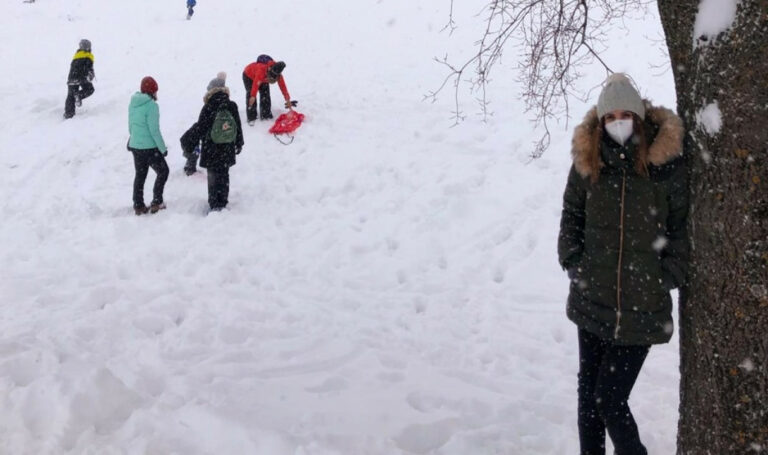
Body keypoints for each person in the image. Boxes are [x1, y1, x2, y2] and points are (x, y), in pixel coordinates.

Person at [557, 73, 688, 455]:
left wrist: (664, 276)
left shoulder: (665, 167)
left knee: (608, 400)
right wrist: (574, 263)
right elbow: (571, 215)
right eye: (610, 116)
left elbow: (681, 230)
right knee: (588, 400)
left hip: (641, 308)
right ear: (600, 122)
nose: (618, 122)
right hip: (592, 300)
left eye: (625, 114)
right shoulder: (588, 162)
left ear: (639, 117)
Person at [180, 75, 244, 212]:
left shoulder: (208, 107)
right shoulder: (231, 105)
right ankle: (223, 201)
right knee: (224, 174)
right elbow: (237, 126)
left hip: (211, 149)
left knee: (213, 176)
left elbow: (201, 128)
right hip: (227, 147)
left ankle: (214, 203)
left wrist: (189, 141)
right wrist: (239, 143)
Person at [128, 77, 169, 215]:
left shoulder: (133, 103)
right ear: (152, 91)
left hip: (135, 146)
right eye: (156, 91)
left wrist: (133, 139)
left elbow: (130, 126)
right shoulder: (152, 105)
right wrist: (163, 149)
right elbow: (154, 130)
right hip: (149, 148)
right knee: (163, 172)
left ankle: (138, 205)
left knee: (140, 174)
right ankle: (157, 201)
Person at [181, 72, 227, 176]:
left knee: (193, 140)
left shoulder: (209, 106)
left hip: (211, 138)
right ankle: (191, 161)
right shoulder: (227, 103)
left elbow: (202, 125)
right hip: (221, 139)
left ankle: (191, 163)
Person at [242, 55, 297, 124]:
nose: (271, 79)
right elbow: (256, 84)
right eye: (270, 77)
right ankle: (251, 117)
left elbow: (283, 87)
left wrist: (287, 99)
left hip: (263, 79)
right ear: (269, 70)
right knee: (251, 95)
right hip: (249, 76)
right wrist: (253, 96)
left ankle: (266, 114)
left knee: (265, 95)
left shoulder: (278, 74)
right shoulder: (261, 70)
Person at [64, 39, 95, 119]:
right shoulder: (88, 56)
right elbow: (88, 68)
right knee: (90, 89)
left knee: (70, 96)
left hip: (71, 78)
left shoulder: (76, 56)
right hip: (81, 78)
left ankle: (68, 114)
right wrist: (90, 74)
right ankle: (79, 95)